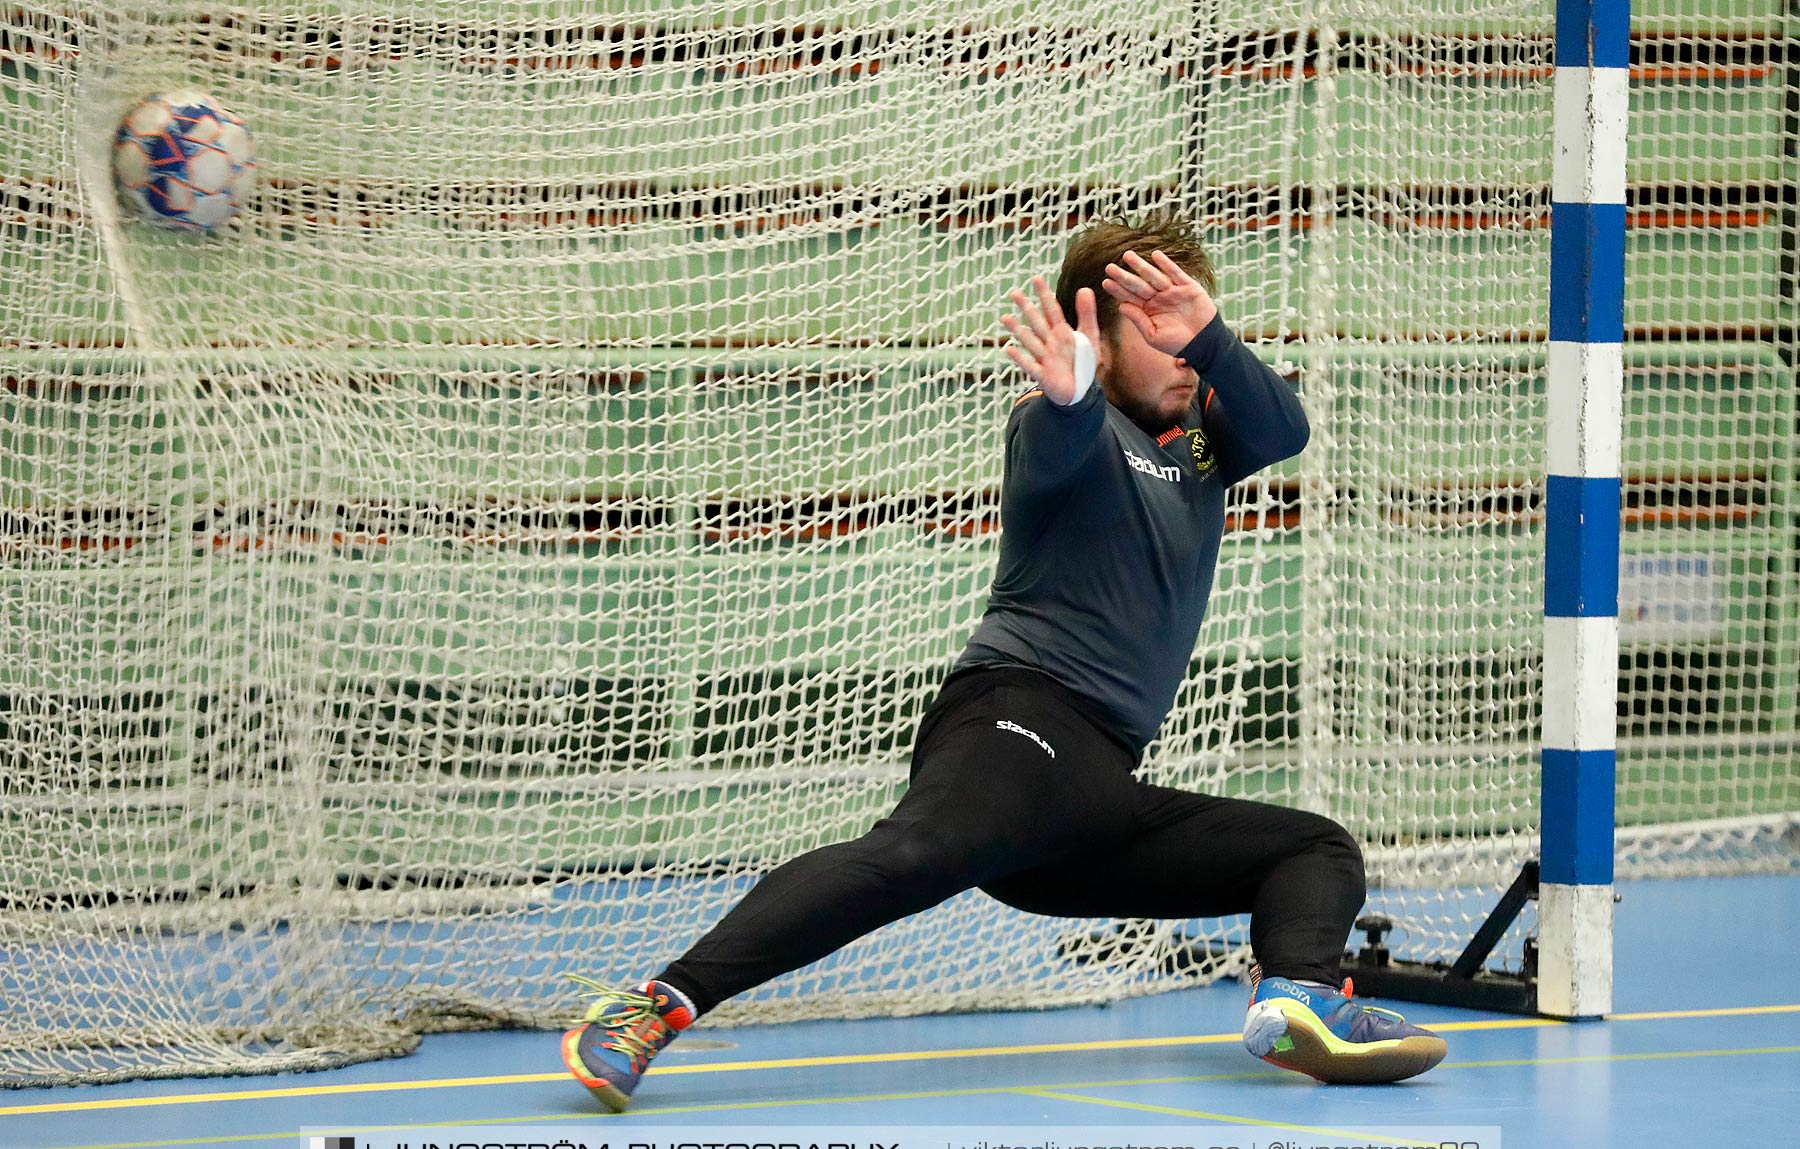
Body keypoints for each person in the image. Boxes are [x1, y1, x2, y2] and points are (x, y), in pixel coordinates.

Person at [560, 213, 1447, 1109]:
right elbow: (1055, 442)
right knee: (912, 857)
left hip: (1092, 796)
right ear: (1093, 336)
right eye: (1151, 326)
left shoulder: (1207, 441)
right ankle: (655, 1004)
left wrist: (1210, 338)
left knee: (1313, 849)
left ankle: (1297, 999)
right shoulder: (1062, 423)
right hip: (1015, 724)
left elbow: (1285, 427)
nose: (1179, 348)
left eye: (1187, 323)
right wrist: (1070, 395)